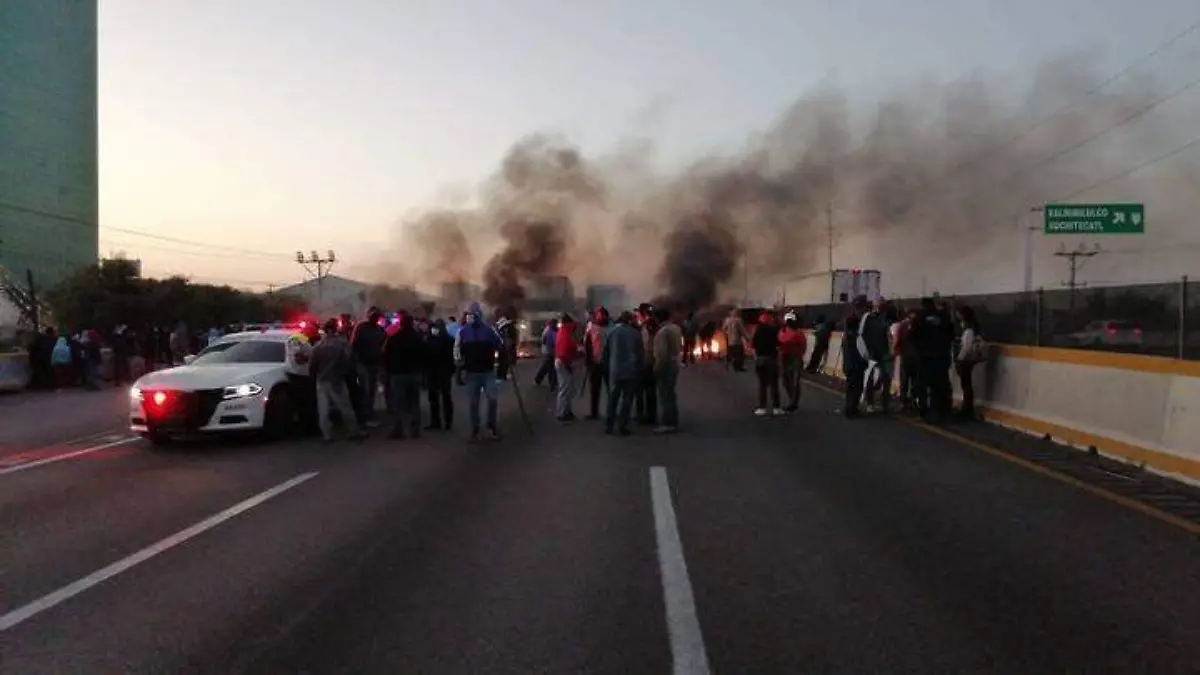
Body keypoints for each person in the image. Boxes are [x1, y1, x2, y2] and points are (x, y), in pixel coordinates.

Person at [308, 319, 367, 442]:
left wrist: (314, 377)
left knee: (323, 410)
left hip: (321, 380)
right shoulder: (342, 344)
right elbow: (348, 361)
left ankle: (326, 435)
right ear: (336, 329)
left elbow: (312, 366)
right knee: (345, 407)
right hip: (337, 380)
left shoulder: (318, 346)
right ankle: (353, 431)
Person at [454, 302, 504, 441]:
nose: (470, 317)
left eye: (472, 314)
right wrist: (460, 363)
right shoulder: (463, 332)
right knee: (473, 403)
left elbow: (499, 344)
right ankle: (475, 430)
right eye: (469, 314)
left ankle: (491, 426)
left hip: (487, 371)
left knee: (492, 400)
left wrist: (502, 348)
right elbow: (457, 349)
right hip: (472, 373)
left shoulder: (488, 330)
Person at [382, 312, 427, 439]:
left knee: (398, 403)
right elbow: (425, 353)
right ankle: (415, 430)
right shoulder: (418, 338)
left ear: (401, 324)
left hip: (398, 374)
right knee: (414, 403)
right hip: (414, 373)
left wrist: (388, 372)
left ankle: (398, 430)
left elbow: (386, 355)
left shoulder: (394, 338)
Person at [910, 297, 955, 422]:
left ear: (923, 305)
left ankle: (924, 413)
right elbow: (951, 335)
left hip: (925, 357)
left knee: (922, 386)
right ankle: (943, 412)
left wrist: (920, 349)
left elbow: (912, 336)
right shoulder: (944, 317)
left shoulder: (919, 318)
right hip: (941, 357)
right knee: (941, 385)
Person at [602, 311, 644, 435]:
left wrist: (606, 366)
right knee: (627, 399)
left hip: (615, 370)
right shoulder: (635, 334)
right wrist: (640, 368)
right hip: (630, 371)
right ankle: (622, 425)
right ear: (630, 320)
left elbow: (605, 352)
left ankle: (609, 425)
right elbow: (640, 354)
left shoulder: (610, 332)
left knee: (613, 398)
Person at [350, 307, 387, 427]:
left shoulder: (379, 329)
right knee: (366, 391)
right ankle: (365, 417)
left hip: (374, 364)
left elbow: (383, 347)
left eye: (376, 315)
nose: (374, 317)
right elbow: (353, 345)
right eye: (373, 315)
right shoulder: (362, 328)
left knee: (371, 391)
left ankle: (368, 414)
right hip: (363, 364)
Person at [652, 307, 682, 432]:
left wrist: (656, 369)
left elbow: (662, 354)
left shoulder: (662, 332)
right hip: (675, 362)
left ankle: (667, 423)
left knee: (665, 395)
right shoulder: (676, 328)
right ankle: (673, 421)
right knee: (670, 393)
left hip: (666, 365)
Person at [425, 318, 456, 430]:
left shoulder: (431, 339)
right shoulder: (449, 340)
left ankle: (437, 421)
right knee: (444, 397)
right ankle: (447, 421)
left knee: (436, 398)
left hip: (436, 371)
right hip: (442, 371)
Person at [751, 309, 784, 415]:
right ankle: (776, 408)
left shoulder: (757, 332)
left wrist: (756, 357)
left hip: (761, 360)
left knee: (762, 385)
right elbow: (780, 344)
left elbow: (753, 346)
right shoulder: (774, 331)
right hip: (772, 359)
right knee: (774, 384)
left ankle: (762, 408)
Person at [954, 305, 984, 421]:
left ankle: (967, 409)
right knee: (966, 385)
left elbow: (966, 347)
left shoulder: (969, 331)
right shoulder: (972, 329)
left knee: (965, 385)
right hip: (969, 360)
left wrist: (959, 359)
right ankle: (967, 408)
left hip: (965, 360)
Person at [842, 298, 869, 418]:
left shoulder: (847, 335)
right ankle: (852, 409)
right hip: (856, 363)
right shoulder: (857, 336)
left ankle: (850, 408)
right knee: (856, 386)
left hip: (849, 363)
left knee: (850, 386)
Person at [583, 307, 611, 419]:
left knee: (611, 388)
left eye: (601, 314)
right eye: (598, 314)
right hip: (595, 362)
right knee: (594, 389)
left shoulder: (611, 327)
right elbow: (587, 344)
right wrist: (588, 361)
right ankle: (594, 412)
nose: (599, 316)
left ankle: (611, 411)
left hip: (608, 362)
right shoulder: (591, 327)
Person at [778, 310, 808, 412]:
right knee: (786, 381)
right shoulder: (782, 331)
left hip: (795, 358)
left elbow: (803, 347)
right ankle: (792, 400)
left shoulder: (798, 333)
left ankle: (793, 403)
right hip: (785, 358)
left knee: (794, 382)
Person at [636, 304, 659, 425]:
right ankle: (650, 415)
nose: (637, 315)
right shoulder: (654, 324)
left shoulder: (647, 325)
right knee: (650, 391)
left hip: (647, 362)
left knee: (647, 390)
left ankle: (649, 417)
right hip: (652, 361)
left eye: (639, 313)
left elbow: (646, 345)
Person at [554, 313, 580, 422]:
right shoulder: (566, 333)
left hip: (562, 361)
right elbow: (564, 353)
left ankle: (566, 411)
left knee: (567, 388)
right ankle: (562, 413)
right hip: (564, 362)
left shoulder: (563, 332)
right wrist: (568, 365)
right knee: (565, 388)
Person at [533, 318, 559, 390]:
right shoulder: (549, 331)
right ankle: (552, 383)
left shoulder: (552, 330)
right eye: (555, 324)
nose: (556, 325)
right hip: (549, 351)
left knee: (547, 367)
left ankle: (539, 380)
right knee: (551, 368)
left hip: (550, 351)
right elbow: (547, 342)